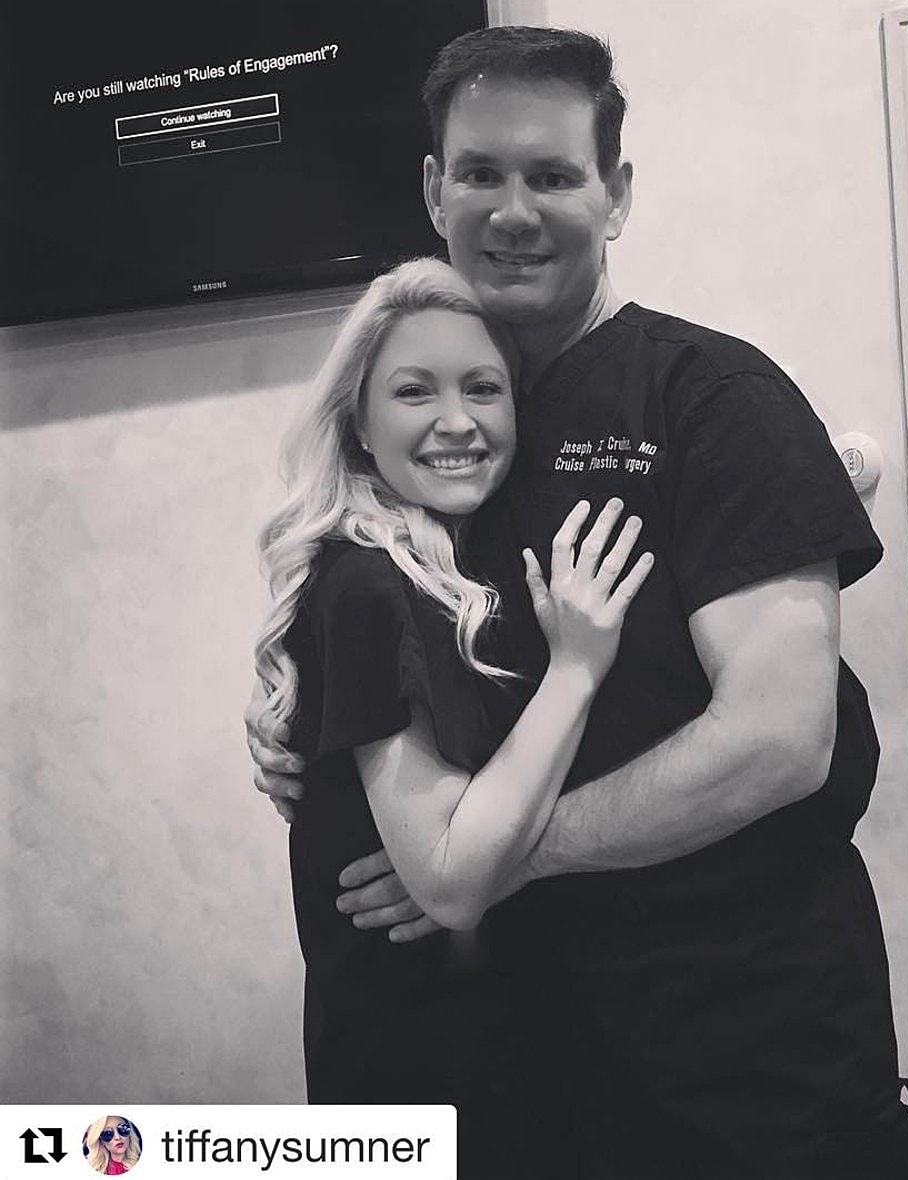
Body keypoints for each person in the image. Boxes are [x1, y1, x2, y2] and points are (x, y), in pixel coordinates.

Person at [249, 26, 908, 1179]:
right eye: (480, 172)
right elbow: (393, 638)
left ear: (615, 194)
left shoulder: (713, 397)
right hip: (533, 1066)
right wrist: (302, 728)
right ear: (433, 189)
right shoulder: (455, 433)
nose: (513, 210)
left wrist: (485, 861)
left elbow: (778, 739)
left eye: (553, 175)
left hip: (748, 1062)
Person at [252, 256, 651, 1178]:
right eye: (413, 391)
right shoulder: (369, 586)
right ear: (357, 420)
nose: (458, 421)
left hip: (492, 1060)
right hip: (427, 1082)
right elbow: (450, 881)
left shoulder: (448, 573)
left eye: (484, 387)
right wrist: (579, 670)